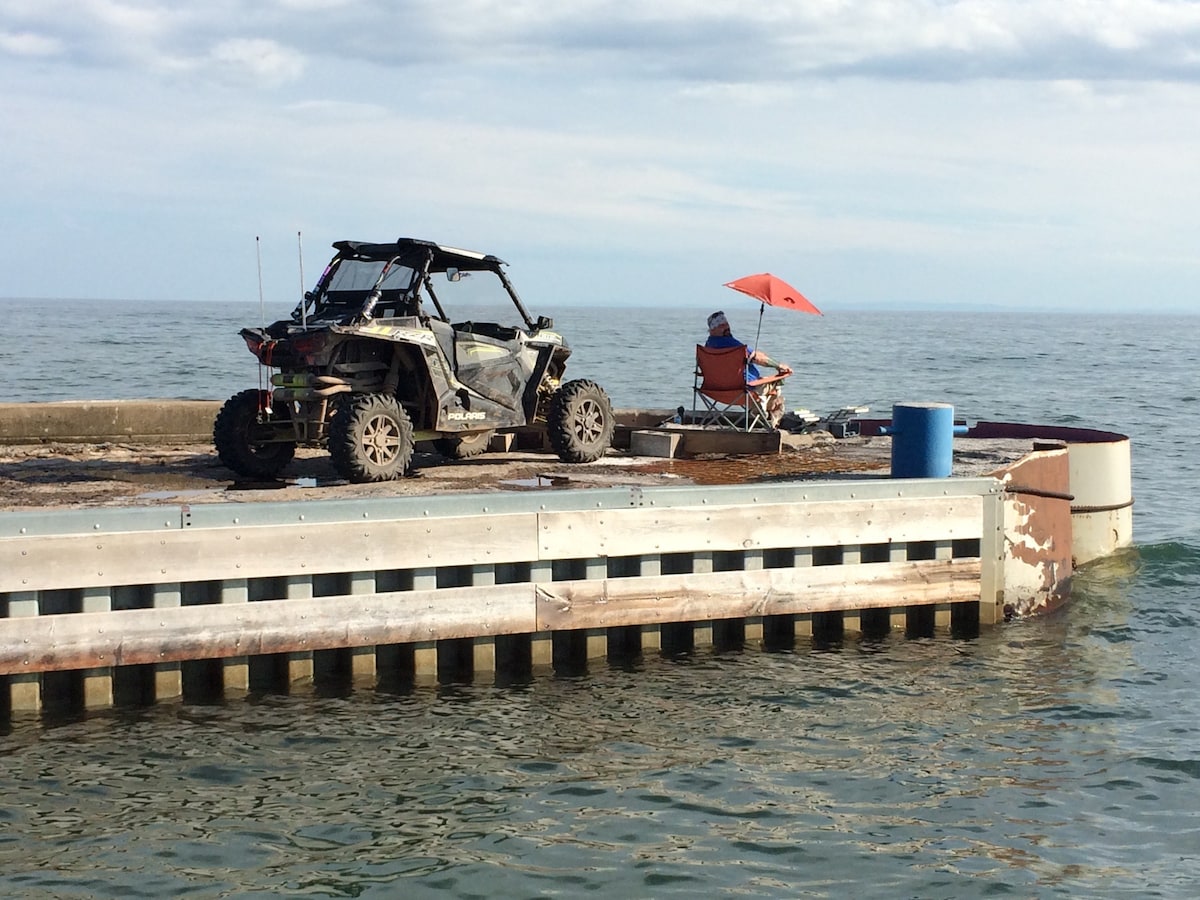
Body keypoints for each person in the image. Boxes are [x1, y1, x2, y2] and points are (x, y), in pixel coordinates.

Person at [704, 310, 792, 425]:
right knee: (779, 379)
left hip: (716, 391)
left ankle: (761, 411)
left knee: (768, 387)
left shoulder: (707, 348)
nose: (726, 328)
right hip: (745, 390)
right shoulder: (733, 346)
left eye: (726, 324)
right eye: (721, 326)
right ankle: (765, 417)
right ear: (712, 330)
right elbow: (758, 358)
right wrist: (778, 365)